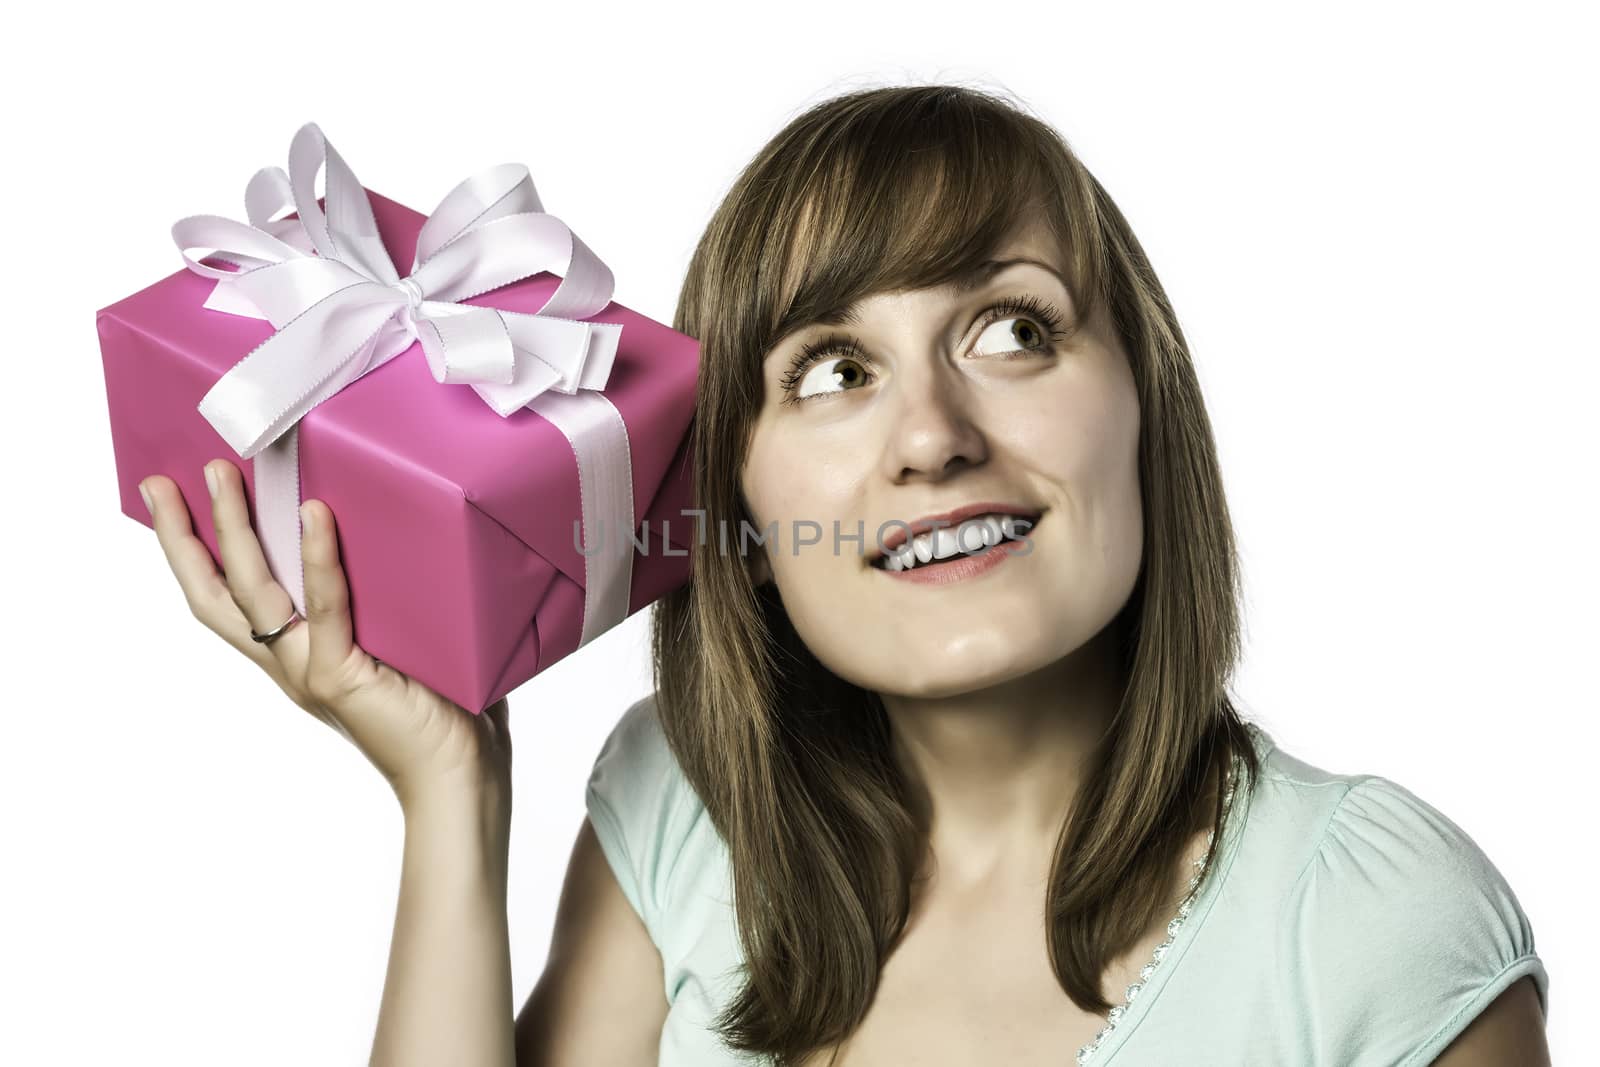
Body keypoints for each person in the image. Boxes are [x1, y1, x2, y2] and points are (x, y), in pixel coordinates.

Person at [137, 84, 1550, 1066]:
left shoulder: (1366, 924)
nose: (932, 438)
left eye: (1012, 330)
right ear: (735, 496)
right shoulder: (683, 818)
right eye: (832, 369)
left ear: (1146, 406)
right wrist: (451, 794)